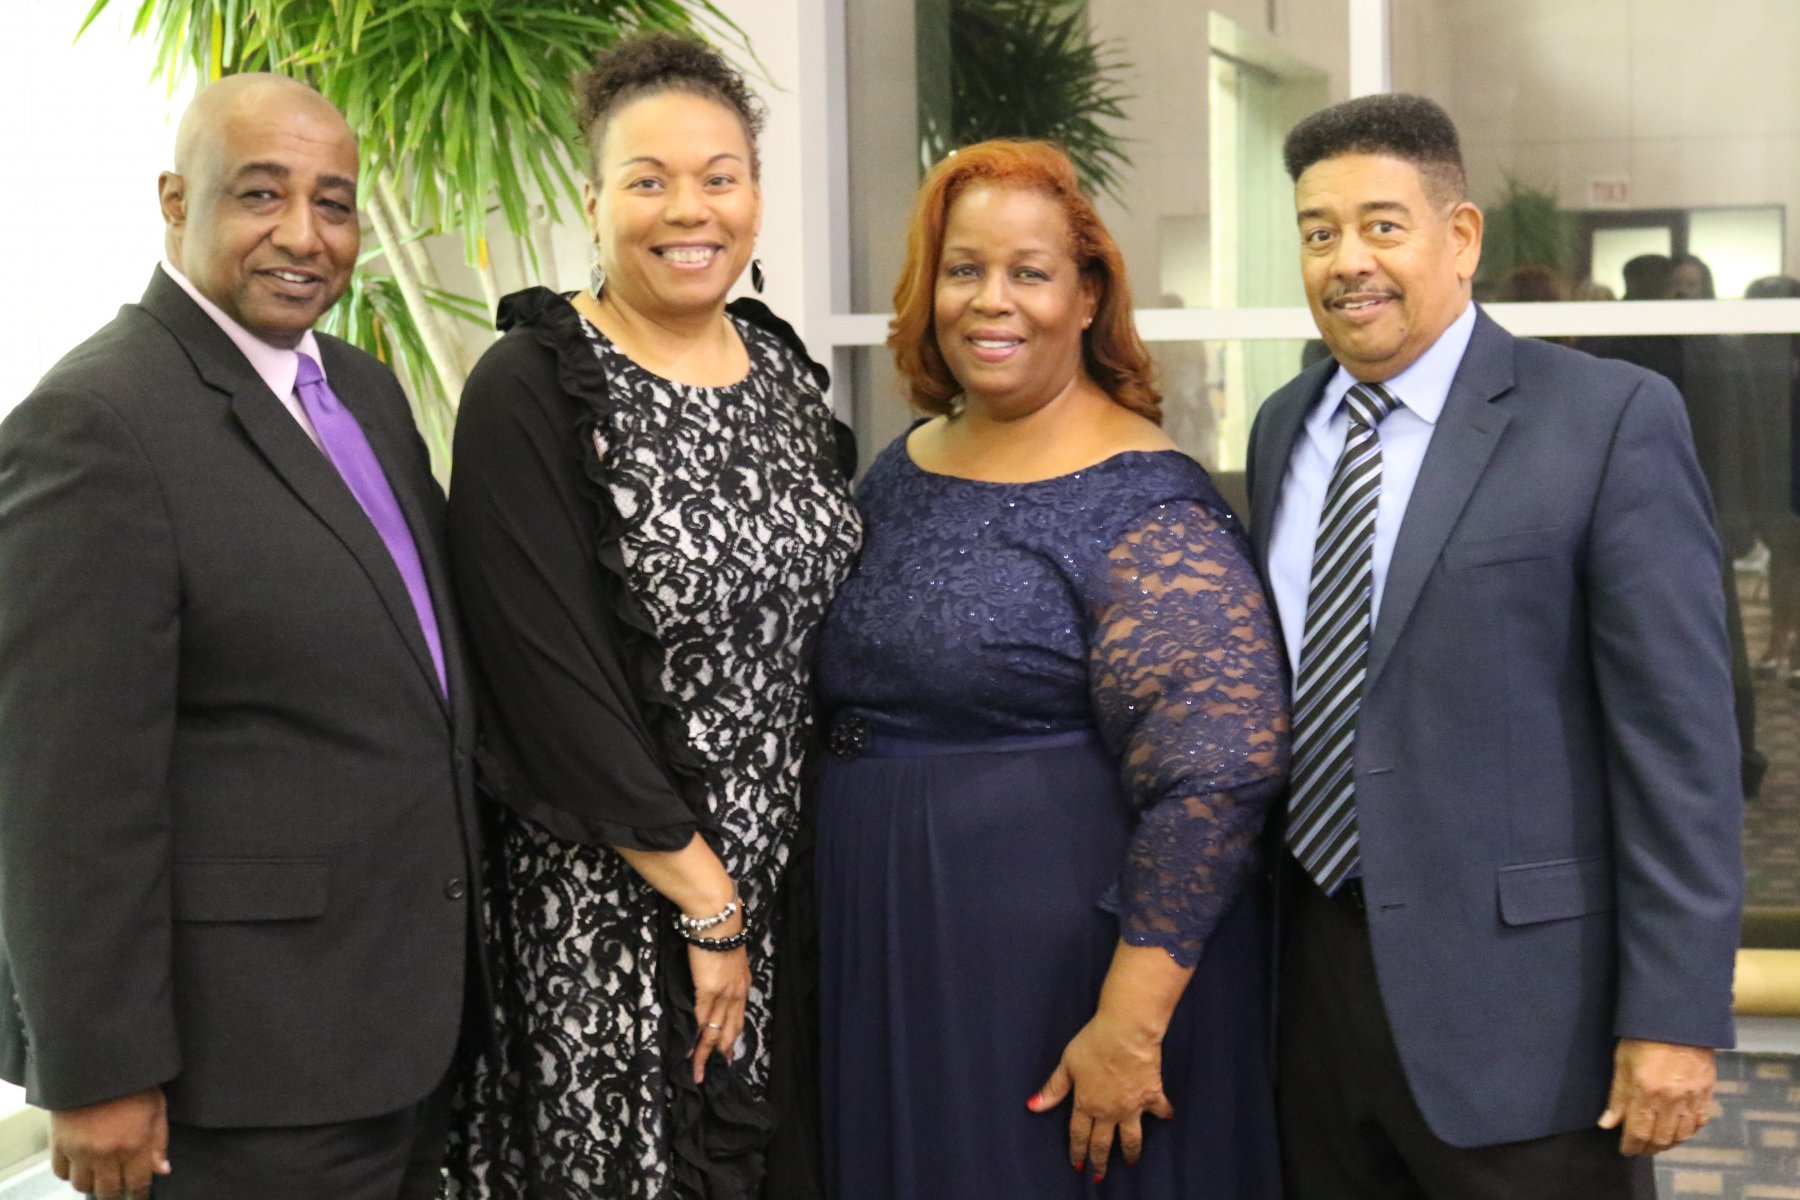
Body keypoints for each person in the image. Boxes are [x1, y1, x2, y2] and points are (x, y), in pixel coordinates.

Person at [1247, 93, 1742, 1198]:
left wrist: (1674, 1014)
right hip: (1315, 999)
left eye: (1381, 225)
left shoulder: (1607, 419)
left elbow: (1680, 750)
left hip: (1528, 1017)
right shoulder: (1285, 425)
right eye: (1319, 232)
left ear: (1461, 236)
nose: (1347, 260)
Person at [0, 74, 480, 1199]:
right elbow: (62, 790)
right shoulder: (97, 423)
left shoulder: (361, 391)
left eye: (334, 202)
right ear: (177, 201)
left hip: (400, 1032)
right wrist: (97, 1071)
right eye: (262, 194)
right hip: (244, 1068)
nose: (304, 235)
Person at [814, 138, 1287, 1200]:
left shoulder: (1145, 498)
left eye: (1028, 272)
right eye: (964, 269)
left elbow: (1218, 777)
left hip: (1059, 974)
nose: (992, 301)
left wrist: (1128, 1022)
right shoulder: (904, 462)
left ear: (1087, 297)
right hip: (895, 945)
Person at [440, 32, 860, 1200]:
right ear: (593, 201)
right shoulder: (532, 384)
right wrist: (704, 902)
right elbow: (544, 676)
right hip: (615, 907)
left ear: (756, 195)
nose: (689, 210)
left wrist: (750, 907)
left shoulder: (781, 374)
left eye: (720, 177)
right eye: (648, 180)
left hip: (776, 892)